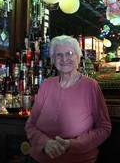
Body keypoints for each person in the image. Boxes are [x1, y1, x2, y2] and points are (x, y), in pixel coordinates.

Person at [25, 35, 112, 163]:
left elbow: (104, 128)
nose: (64, 59)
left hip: (78, 159)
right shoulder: (46, 84)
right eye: (58, 55)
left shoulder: (90, 86)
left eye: (69, 54)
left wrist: (72, 145)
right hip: (39, 158)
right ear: (53, 60)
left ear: (78, 57)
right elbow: (30, 125)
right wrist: (45, 143)